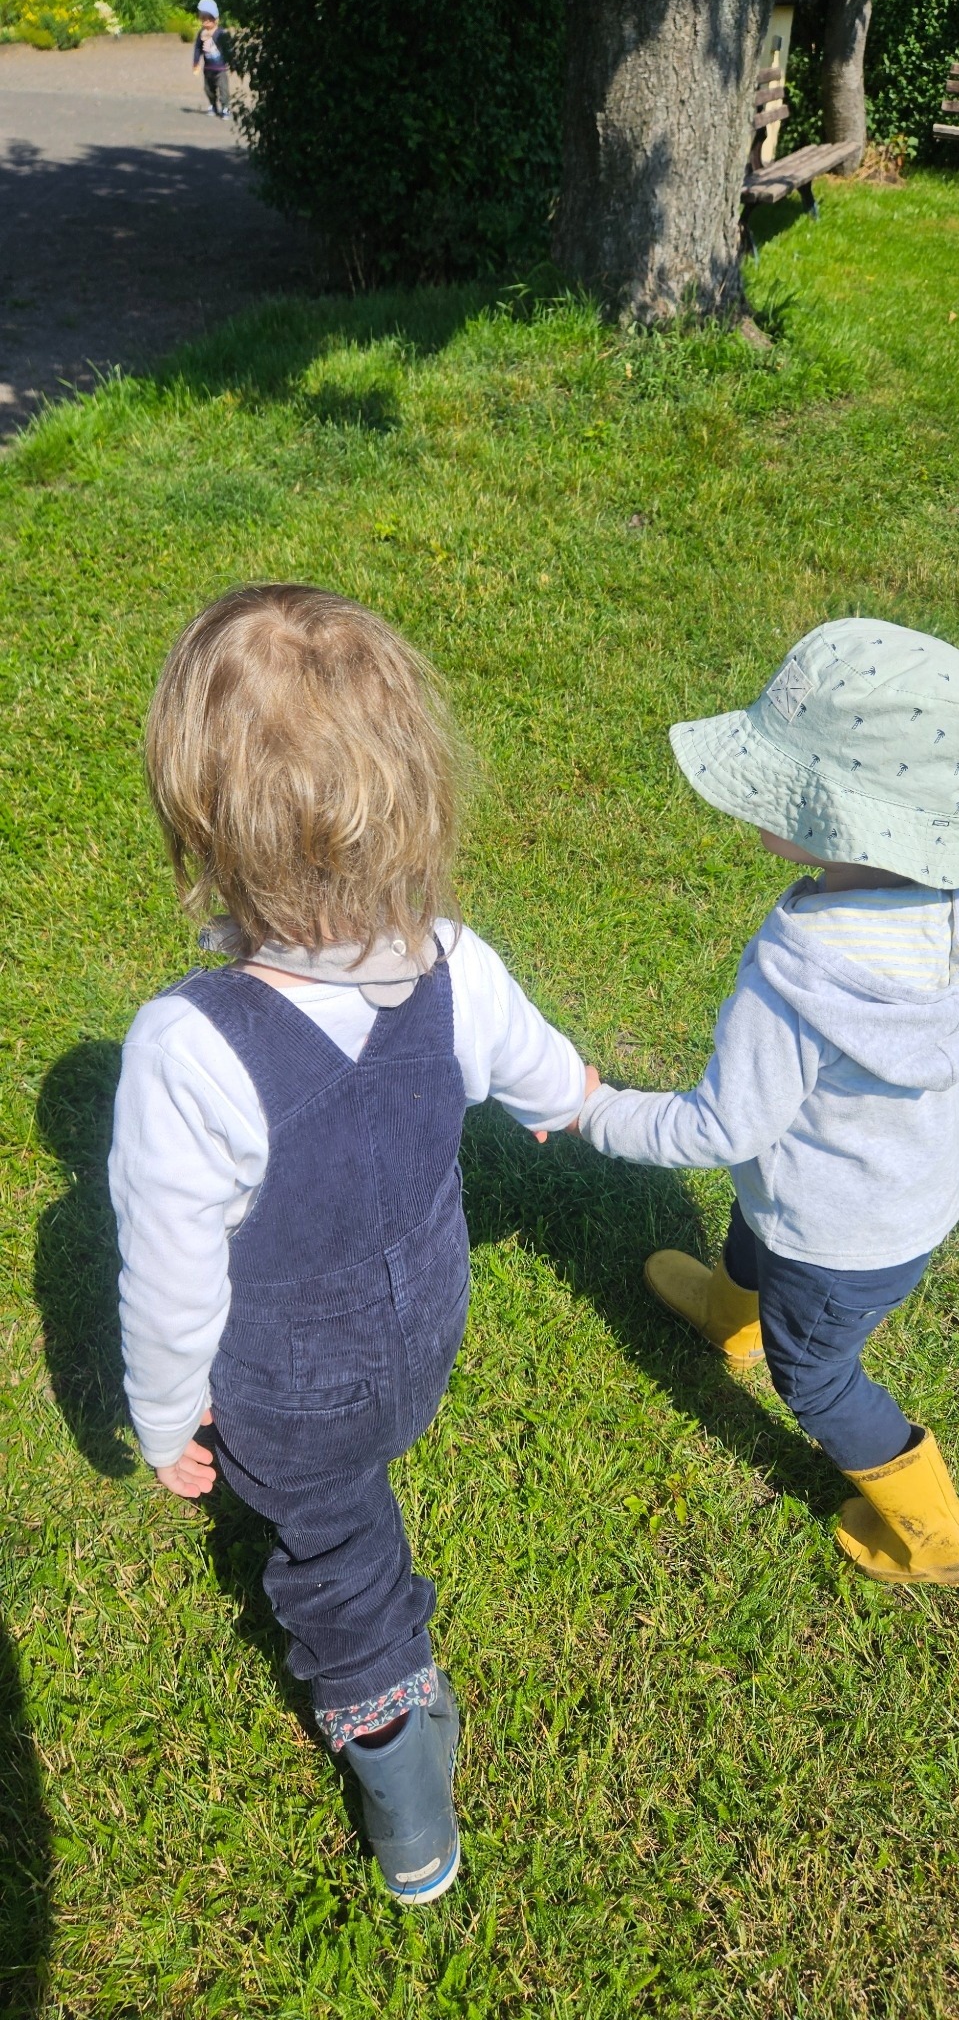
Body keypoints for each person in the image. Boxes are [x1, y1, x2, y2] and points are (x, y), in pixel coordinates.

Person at [109, 585, 597, 1903]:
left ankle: (399, 1774)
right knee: (367, 1460)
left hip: (294, 1381)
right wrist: (569, 1105)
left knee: (333, 1558)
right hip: (427, 1313)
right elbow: (541, 1073)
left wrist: (164, 1423)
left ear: (199, 819)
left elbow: (169, 1277)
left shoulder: (187, 1046)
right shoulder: (455, 959)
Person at [578, 618, 959, 1588]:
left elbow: (722, 1126)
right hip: (903, 1196)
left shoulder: (797, 975)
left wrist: (594, 1111)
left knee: (816, 1375)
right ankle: (730, 1315)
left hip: (834, 1238)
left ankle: (941, 1533)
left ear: (842, 817)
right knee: (756, 1232)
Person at [192, 0, 232, 120]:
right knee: (208, 89)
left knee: (223, 89)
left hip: (220, 68)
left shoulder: (220, 33)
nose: (207, 21)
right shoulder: (201, 34)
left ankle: (225, 107)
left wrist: (232, 60)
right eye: (203, 18)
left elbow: (228, 48)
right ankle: (213, 105)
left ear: (216, 19)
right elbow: (198, 48)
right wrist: (196, 62)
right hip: (208, 68)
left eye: (210, 18)